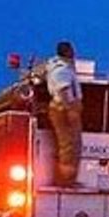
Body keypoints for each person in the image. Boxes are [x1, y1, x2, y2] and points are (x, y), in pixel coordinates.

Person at [45, 40, 83, 186]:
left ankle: (67, 178)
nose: (74, 53)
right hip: (63, 109)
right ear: (67, 52)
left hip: (61, 108)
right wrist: (71, 110)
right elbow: (64, 90)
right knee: (69, 145)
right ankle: (66, 180)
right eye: (71, 50)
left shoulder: (59, 67)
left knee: (70, 144)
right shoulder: (62, 70)